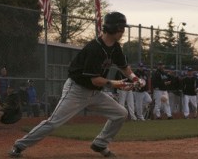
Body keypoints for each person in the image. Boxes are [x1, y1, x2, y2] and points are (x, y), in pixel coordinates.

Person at [8, 11, 145, 158]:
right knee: (54, 122)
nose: (122, 31)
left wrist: (134, 78)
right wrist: (114, 83)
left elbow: (124, 67)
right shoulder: (95, 48)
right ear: (111, 28)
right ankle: (19, 146)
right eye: (120, 28)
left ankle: (100, 143)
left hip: (95, 93)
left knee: (120, 114)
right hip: (77, 91)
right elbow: (95, 80)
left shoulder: (115, 47)